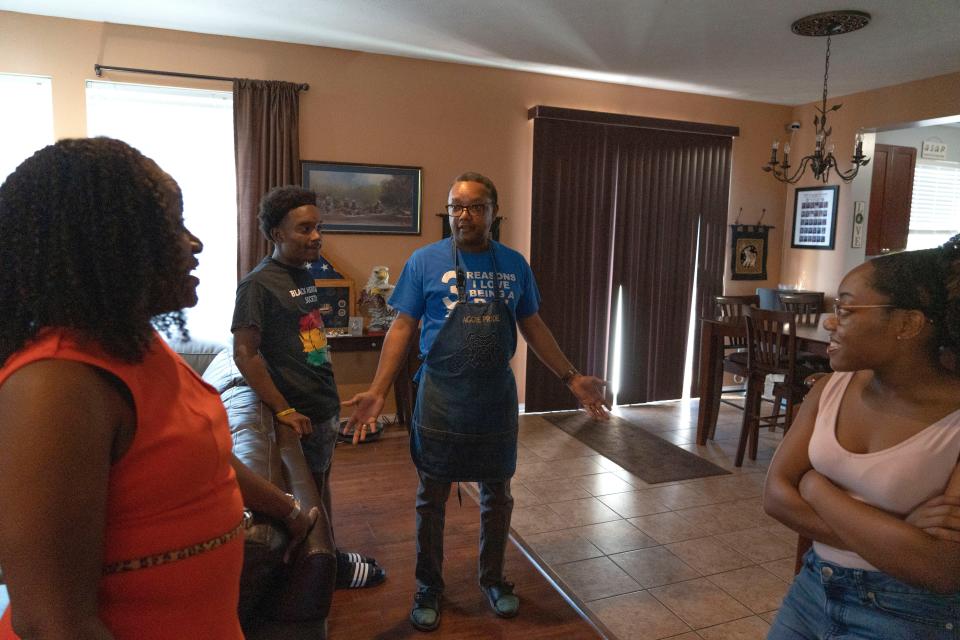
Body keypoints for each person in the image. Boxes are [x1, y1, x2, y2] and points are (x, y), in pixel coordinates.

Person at [0, 138, 318, 640]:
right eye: (172, 225)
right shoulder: (55, 383)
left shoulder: (132, 342)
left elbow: (197, 453)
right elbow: (53, 624)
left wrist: (286, 509)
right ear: (106, 244)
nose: (194, 243)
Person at [342, 172, 608, 632]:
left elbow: (534, 326)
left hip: (494, 399)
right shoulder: (424, 262)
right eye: (456, 207)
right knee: (431, 498)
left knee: (497, 496)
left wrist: (572, 378)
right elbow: (402, 327)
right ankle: (428, 586)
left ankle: (494, 579)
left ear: (493, 213)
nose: (464, 215)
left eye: (475, 206)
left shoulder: (514, 264)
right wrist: (379, 389)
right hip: (441, 396)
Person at [763, 235, 960, 639]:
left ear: (908, 323)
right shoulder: (832, 388)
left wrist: (814, 485)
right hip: (814, 587)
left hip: (910, 612)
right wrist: (898, 535)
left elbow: (940, 570)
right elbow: (775, 496)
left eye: (846, 309)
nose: (829, 322)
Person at [231, 185, 385, 589]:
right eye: (305, 229)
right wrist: (283, 408)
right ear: (277, 233)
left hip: (322, 405)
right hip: (301, 414)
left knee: (322, 485)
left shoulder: (303, 273)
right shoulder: (258, 285)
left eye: (318, 227)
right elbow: (245, 353)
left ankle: (330, 556)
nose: (316, 236)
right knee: (312, 496)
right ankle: (324, 572)